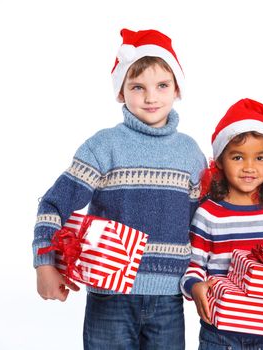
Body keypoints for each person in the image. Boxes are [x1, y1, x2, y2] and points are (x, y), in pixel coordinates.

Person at [33, 28, 206, 350]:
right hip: (109, 296)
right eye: (138, 87)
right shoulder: (104, 146)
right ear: (121, 92)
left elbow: (202, 226)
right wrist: (45, 263)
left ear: (177, 89)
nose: (151, 97)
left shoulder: (190, 153)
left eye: (162, 85)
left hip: (168, 296)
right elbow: (53, 205)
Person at [180, 98, 263, 350]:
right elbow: (192, 265)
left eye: (260, 158)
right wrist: (195, 287)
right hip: (220, 333)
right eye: (238, 157)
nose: (249, 167)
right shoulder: (209, 215)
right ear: (220, 162)